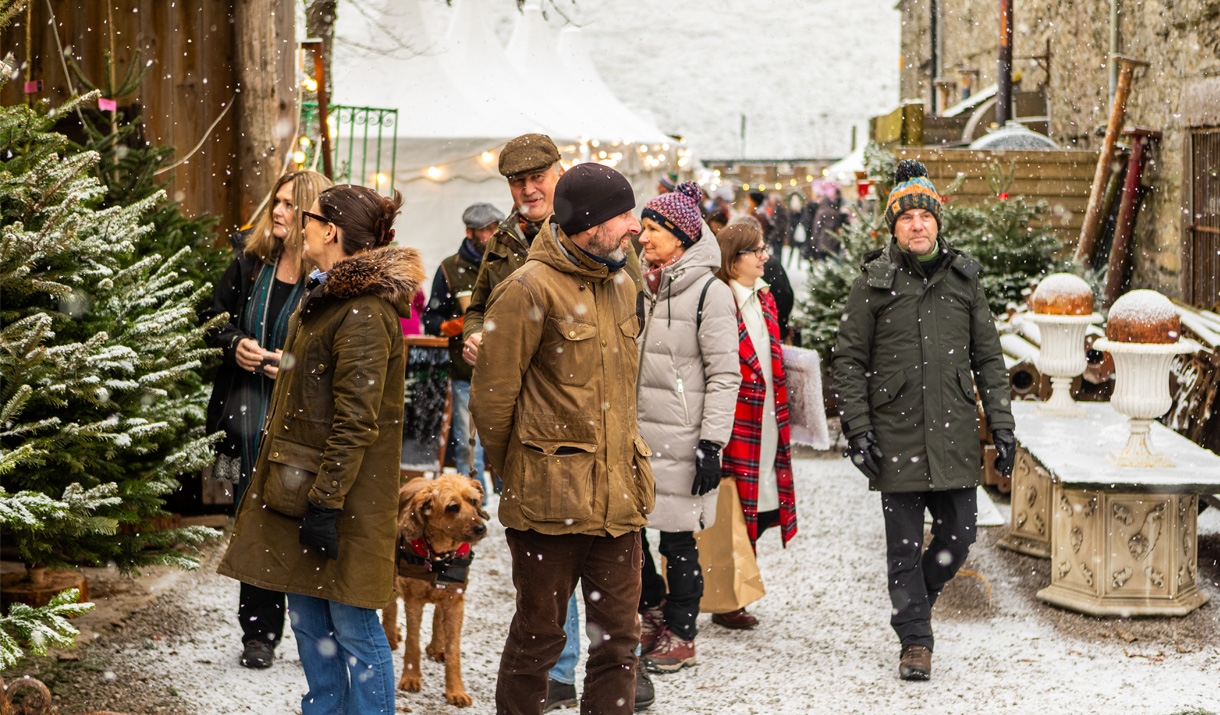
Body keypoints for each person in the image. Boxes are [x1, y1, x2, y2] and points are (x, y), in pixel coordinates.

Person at [218, 185, 425, 713]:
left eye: (308, 217)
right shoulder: (327, 297)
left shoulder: (363, 311)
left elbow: (357, 421)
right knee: (309, 621)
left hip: (341, 500)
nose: (300, 226)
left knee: (353, 624)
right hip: (302, 492)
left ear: (330, 230)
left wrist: (327, 502)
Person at [463, 135, 648, 712]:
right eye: (623, 216)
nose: (635, 227)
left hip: (619, 498)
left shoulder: (622, 280)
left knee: (620, 638)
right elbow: (492, 401)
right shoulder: (525, 288)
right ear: (589, 223)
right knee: (539, 636)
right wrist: (519, 469)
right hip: (548, 503)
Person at [832, 160, 1016, 681]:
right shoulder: (873, 283)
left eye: (925, 215)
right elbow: (847, 360)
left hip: (954, 429)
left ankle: (914, 602)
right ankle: (915, 640)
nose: (917, 223)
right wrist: (859, 429)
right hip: (896, 432)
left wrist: (1001, 425)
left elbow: (990, 360)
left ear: (938, 222)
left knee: (960, 535)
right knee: (904, 548)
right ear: (893, 227)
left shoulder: (965, 281)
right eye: (906, 216)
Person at [201, 169, 331, 670]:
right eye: (276, 202)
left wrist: (291, 366)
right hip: (242, 423)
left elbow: (333, 354)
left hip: (300, 425)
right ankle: (259, 633)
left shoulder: (328, 278)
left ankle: (312, 630)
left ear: (315, 216)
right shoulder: (251, 263)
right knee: (251, 522)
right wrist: (235, 344)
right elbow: (212, 320)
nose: (277, 212)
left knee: (298, 521)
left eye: (290, 205)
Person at [634, 183, 740, 673]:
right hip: (634, 438)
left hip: (682, 439)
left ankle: (681, 632)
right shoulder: (640, 282)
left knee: (677, 540)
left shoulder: (710, 292)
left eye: (653, 230)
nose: (643, 239)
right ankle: (651, 609)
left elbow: (725, 374)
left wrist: (712, 444)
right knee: (630, 534)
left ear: (679, 235)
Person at [708, 221, 799, 630]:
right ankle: (725, 597)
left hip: (767, 420)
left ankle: (735, 594)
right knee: (731, 511)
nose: (766, 257)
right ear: (734, 259)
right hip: (734, 422)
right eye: (757, 251)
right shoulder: (718, 301)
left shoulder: (765, 300)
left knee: (759, 507)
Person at [422, 201, 505, 495]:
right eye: (486, 230)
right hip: (464, 371)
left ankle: (511, 497)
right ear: (470, 231)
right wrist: (450, 326)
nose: (493, 234)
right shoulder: (450, 268)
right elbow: (430, 317)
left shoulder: (508, 264)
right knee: (467, 441)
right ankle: (470, 498)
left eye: (496, 228)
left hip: (510, 370)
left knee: (511, 437)